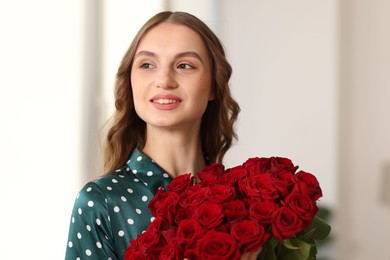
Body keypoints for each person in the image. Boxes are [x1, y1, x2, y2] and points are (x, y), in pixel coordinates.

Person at [65, 11, 260, 260]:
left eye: (184, 65)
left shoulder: (245, 203)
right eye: (147, 65)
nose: (164, 80)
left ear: (213, 85)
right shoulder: (99, 202)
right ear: (131, 81)